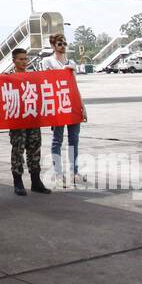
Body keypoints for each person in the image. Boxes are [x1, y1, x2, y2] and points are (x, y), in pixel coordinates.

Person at [43, 34, 87, 186]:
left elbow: (74, 85)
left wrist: (82, 106)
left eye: (64, 43)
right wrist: (63, 69)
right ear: (53, 46)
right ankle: (57, 172)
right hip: (58, 104)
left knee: (74, 140)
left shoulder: (72, 62)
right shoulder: (47, 61)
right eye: (59, 43)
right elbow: (49, 79)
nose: (63, 46)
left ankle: (74, 171)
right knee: (57, 139)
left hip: (72, 102)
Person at [8, 48, 51, 196]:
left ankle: (36, 181)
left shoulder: (33, 76)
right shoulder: (8, 77)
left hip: (33, 119)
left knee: (34, 149)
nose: (24, 62)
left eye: (25, 59)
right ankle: (18, 182)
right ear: (13, 61)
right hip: (17, 121)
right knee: (18, 150)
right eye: (20, 59)